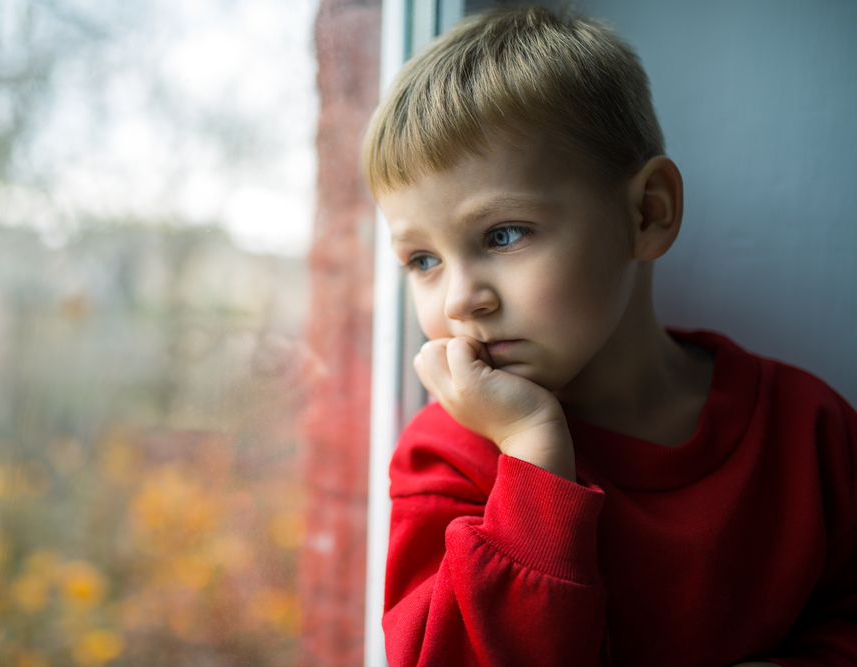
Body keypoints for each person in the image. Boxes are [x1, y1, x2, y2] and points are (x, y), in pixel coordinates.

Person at [360, 4, 857, 666]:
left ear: (648, 212)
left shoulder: (810, 429)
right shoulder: (448, 455)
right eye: (423, 260)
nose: (459, 299)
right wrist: (533, 450)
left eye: (503, 234)